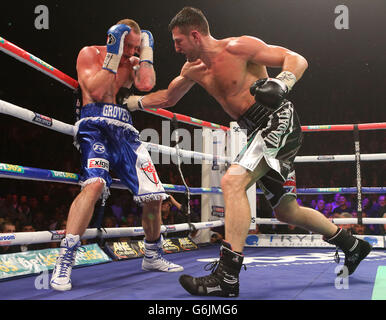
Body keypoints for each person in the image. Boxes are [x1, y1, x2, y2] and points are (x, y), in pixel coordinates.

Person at [124, 7, 372, 297]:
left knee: (232, 181)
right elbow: (168, 96)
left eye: (179, 41)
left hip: (277, 118)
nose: (176, 48)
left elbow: (296, 59)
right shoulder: (192, 70)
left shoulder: (239, 47)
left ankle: (227, 276)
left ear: (195, 34)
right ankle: (353, 245)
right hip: (256, 131)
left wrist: (282, 82)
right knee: (286, 211)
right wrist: (133, 102)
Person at [50, 19, 183, 292]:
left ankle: (152, 255)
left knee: (154, 194)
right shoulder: (90, 54)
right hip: (93, 127)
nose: (132, 51)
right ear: (115, 39)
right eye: (128, 45)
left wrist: (147, 54)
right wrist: (112, 54)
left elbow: (146, 84)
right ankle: (64, 259)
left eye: (137, 46)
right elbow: (97, 92)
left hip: (125, 132)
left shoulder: (133, 63)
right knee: (95, 184)